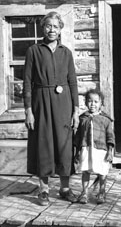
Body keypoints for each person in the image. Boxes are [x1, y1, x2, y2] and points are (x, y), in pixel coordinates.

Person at [23, 11, 79, 206]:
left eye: (55, 26)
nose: (52, 30)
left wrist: (76, 110)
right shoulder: (34, 50)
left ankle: (64, 188)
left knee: (64, 144)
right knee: (43, 143)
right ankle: (44, 189)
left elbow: (72, 82)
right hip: (41, 103)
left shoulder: (66, 52)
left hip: (64, 104)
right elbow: (28, 82)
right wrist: (28, 110)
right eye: (48, 26)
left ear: (60, 29)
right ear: (43, 28)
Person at [74, 89, 115, 204]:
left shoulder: (106, 120)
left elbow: (110, 136)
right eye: (90, 101)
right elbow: (78, 136)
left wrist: (110, 151)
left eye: (96, 102)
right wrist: (76, 151)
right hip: (86, 148)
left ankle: (101, 192)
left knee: (102, 172)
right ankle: (84, 192)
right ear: (86, 103)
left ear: (101, 103)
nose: (93, 104)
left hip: (101, 150)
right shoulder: (83, 118)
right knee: (85, 171)